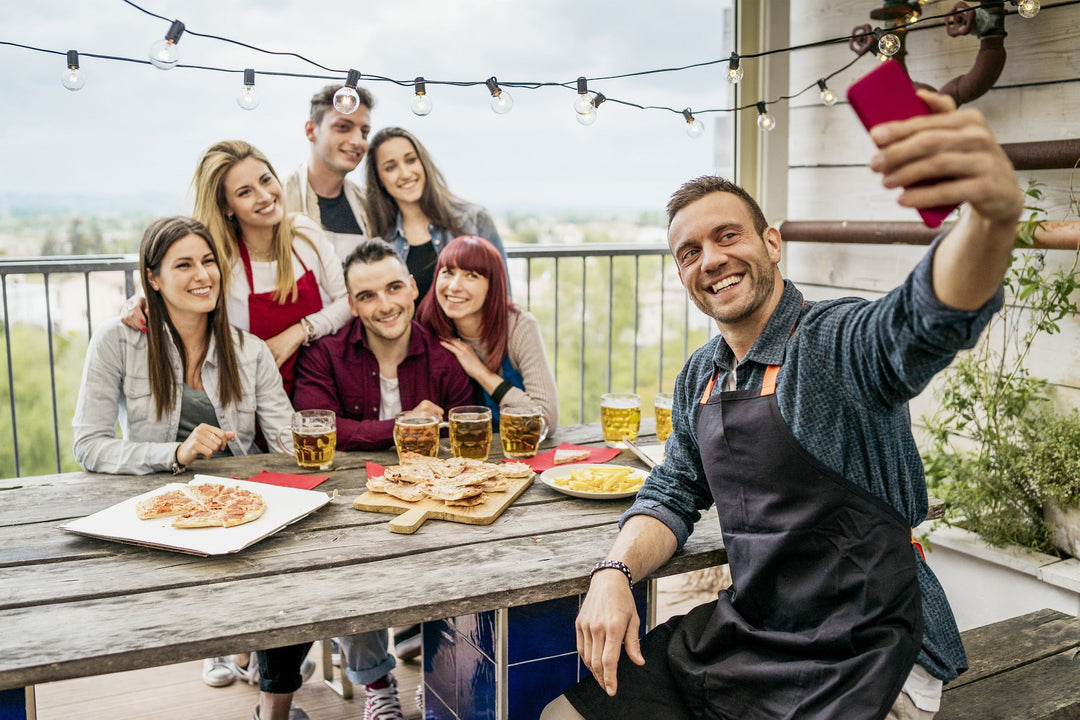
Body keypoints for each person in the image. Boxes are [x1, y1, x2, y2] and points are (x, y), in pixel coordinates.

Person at [542, 93, 1025, 719]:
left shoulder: (830, 342)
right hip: (754, 633)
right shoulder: (701, 376)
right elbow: (672, 492)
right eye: (689, 253)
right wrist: (614, 572)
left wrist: (990, 220)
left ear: (772, 244)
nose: (710, 259)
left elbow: (919, 320)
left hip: (868, 648)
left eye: (727, 236)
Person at [286, 238, 473, 720]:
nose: (385, 304)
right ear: (351, 304)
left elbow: (461, 443)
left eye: (394, 288)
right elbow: (318, 422)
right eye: (367, 296)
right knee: (345, 568)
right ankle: (377, 683)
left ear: (413, 287)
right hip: (346, 507)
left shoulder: (445, 360)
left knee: (462, 552)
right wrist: (401, 426)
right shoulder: (324, 356)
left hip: (428, 505)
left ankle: (437, 672)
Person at [125, 141, 351, 398]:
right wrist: (142, 299)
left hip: (320, 390)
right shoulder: (220, 260)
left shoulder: (305, 234)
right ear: (226, 207)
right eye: (245, 192)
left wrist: (298, 333)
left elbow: (347, 301)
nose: (264, 196)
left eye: (266, 180)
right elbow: (175, 287)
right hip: (252, 397)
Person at [73, 216, 292, 475]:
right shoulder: (115, 341)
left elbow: (284, 441)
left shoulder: (252, 351)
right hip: (155, 498)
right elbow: (89, 446)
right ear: (153, 279)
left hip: (241, 496)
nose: (202, 275)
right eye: (184, 266)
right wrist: (176, 453)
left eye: (208, 261)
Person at [418, 235, 558, 429]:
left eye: (471, 276)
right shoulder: (425, 325)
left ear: (492, 286)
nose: (454, 286)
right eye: (448, 272)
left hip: (516, 448)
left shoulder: (518, 326)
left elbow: (546, 421)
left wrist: (481, 372)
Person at [364, 126, 510, 303]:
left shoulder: (474, 220)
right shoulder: (381, 240)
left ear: (423, 163)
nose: (405, 173)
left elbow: (503, 298)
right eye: (390, 168)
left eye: (410, 160)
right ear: (379, 179)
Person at [284, 84, 375, 259]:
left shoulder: (368, 205)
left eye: (364, 132)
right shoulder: (279, 196)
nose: (358, 141)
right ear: (311, 131)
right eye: (343, 127)